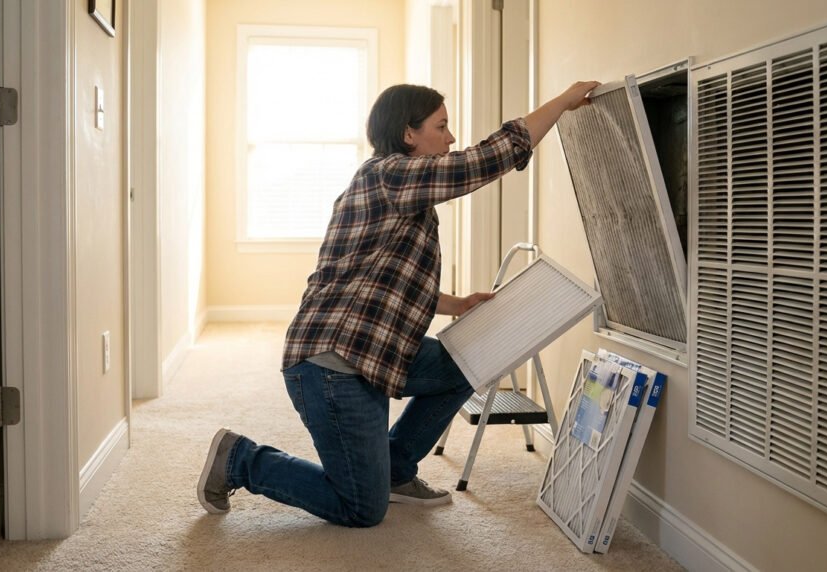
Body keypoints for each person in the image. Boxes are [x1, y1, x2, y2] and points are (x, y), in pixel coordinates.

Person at [198, 79, 600, 527]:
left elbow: (388, 286)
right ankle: (240, 459)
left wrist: (458, 304)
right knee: (361, 509)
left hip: (376, 349)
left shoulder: (403, 191)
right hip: (333, 365)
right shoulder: (389, 175)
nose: (450, 138)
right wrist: (563, 102)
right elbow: (486, 159)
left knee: (469, 359)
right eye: (441, 126)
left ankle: (395, 468)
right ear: (409, 134)